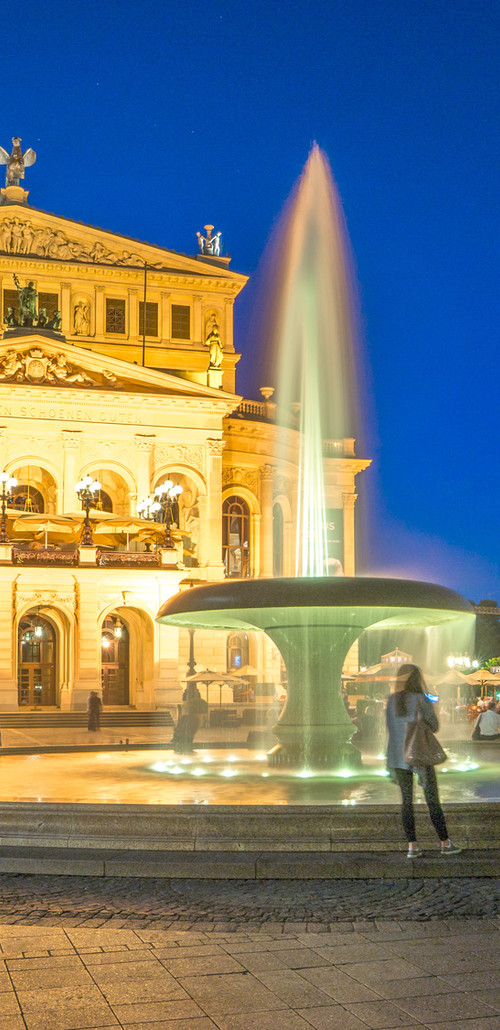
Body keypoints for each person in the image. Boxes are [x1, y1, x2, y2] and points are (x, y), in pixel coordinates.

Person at [386, 664, 461, 858]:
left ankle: (412, 847)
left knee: (407, 802)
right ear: (417, 679)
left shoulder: (392, 701)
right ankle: (445, 843)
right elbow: (434, 726)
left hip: (397, 757)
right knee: (432, 800)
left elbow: (391, 730)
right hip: (419, 755)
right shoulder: (421, 699)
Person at [171, 683, 204, 753]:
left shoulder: (186, 717)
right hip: (182, 739)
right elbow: (190, 733)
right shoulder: (195, 720)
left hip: (179, 739)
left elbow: (178, 728)